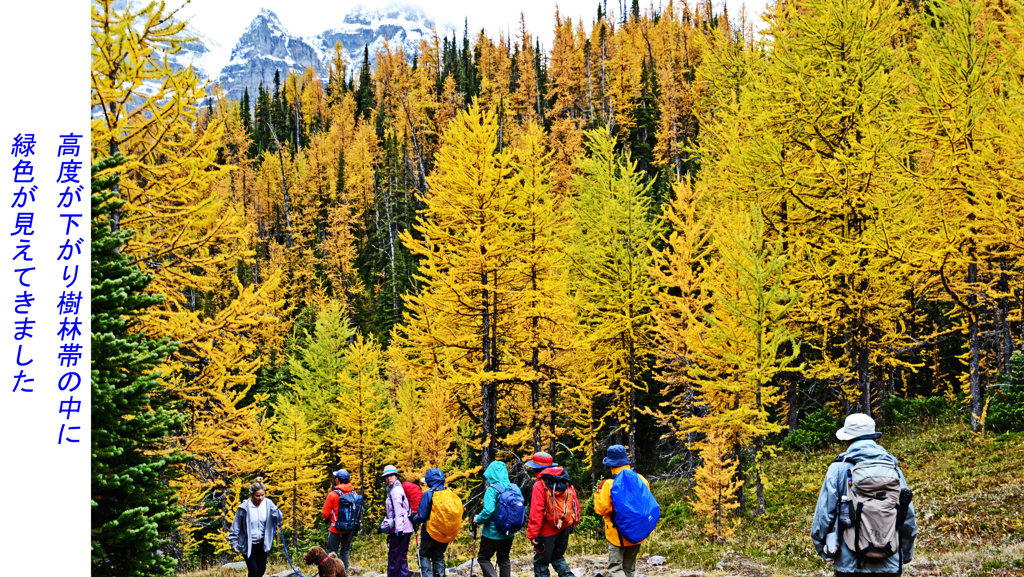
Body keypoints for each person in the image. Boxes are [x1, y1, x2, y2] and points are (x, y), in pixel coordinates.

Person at [811, 413, 917, 576]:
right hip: (890, 560)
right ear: (873, 438)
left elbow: (824, 515)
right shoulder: (893, 468)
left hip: (850, 564)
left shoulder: (838, 468)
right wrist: (905, 554)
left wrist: (822, 549)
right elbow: (907, 516)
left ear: (847, 439)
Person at [594, 445, 650, 577]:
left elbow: (602, 509)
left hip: (617, 534)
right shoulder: (642, 479)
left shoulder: (608, 484)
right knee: (629, 569)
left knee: (615, 569)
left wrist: (597, 494)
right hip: (637, 532)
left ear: (610, 464)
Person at [524, 452, 577, 577]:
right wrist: (573, 523)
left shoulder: (539, 485)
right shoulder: (566, 480)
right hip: (563, 527)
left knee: (541, 563)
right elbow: (574, 504)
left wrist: (532, 534)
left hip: (547, 531)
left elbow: (536, 512)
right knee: (557, 558)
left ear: (535, 468)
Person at [474, 461, 522, 577]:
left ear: (491, 473)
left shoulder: (493, 489)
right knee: (504, 559)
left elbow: (488, 511)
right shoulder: (515, 488)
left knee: (483, 558)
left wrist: (478, 519)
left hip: (493, 533)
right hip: (509, 532)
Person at [229, 477, 283, 577]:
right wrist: (233, 543)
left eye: (263, 495)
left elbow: (279, 516)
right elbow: (236, 526)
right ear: (252, 495)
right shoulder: (244, 507)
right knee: (253, 570)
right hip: (246, 543)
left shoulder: (268, 503)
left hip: (262, 542)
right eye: (257, 496)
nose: (260, 498)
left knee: (261, 570)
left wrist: (277, 513)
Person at [411, 468, 452, 577]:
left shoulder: (428, 494)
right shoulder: (448, 492)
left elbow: (422, 516)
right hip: (445, 533)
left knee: (424, 555)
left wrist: (413, 519)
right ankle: (440, 574)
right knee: (438, 555)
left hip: (429, 533)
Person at [322, 469, 361, 569]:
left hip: (336, 529)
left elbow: (325, 514)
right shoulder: (354, 494)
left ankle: (332, 574)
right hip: (349, 528)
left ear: (338, 480)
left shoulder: (333, 494)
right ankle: (344, 573)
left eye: (336, 478)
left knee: (332, 552)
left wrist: (326, 519)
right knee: (345, 551)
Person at [381, 465, 415, 577]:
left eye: (391, 475)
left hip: (401, 528)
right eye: (386, 476)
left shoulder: (395, 491)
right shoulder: (395, 488)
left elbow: (399, 512)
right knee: (401, 556)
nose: (388, 478)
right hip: (405, 527)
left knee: (394, 556)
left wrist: (399, 530)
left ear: (396, 476)